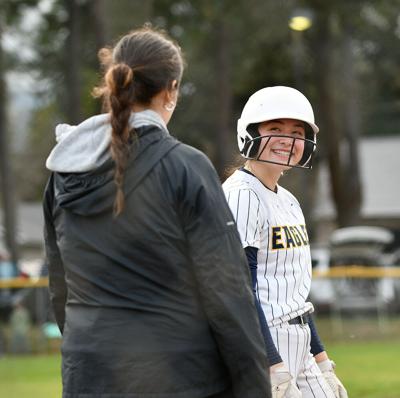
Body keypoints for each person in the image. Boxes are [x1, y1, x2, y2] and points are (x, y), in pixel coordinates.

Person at [43, 26, 271, 398]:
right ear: (171, 89)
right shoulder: (185, 166)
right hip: (178, 376)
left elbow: (60, 289)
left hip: (89, 374)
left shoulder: (61, 173)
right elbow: (227, 292)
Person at [223, 86, 348, 398]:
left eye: (297, 132)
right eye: (275, 129)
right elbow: (239, 287)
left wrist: (321, 361)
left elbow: (295, 297)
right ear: (249, 133)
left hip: (299, 340)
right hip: (263, 344)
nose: (288, 140)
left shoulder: (289, 200)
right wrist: (271, 363)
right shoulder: (242, 194)